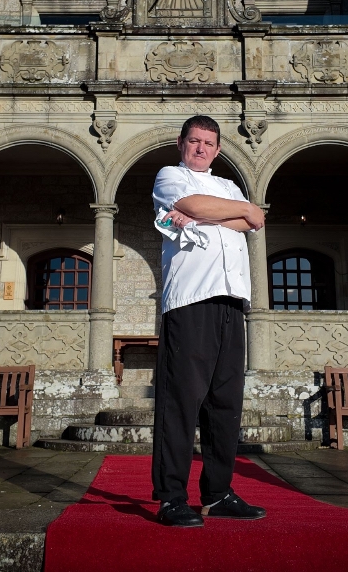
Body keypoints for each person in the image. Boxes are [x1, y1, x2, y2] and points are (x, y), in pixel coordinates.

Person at [149, 115, 269, 527]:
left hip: (232, 301)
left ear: (218, 149)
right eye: (194, 141)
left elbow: (252, 223)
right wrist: (237, 211)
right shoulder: (170, 176)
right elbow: (204, 207)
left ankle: (217, 494)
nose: (201, 148)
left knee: (225, 403)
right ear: (182, 143)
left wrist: (222, 213)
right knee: (181, 401)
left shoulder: (229, 185)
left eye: (209, 143)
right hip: (190, 300)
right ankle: (170, 497)